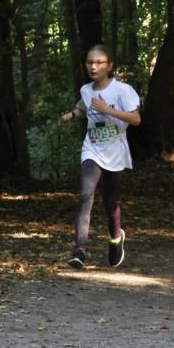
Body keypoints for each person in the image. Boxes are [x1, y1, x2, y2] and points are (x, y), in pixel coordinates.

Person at [60, 44, 141, 269]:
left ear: (110, 66)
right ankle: (80, 251)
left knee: (110, 201)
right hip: (92, 149)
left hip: (116, 152)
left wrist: (108, 110)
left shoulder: (122, 91)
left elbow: (136, 120)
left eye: (99, 62)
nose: (93, 67)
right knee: (86, 195)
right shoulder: (86, 90)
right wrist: (71, 115)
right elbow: (83, 107)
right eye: (89, 62)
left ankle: (116, 236)